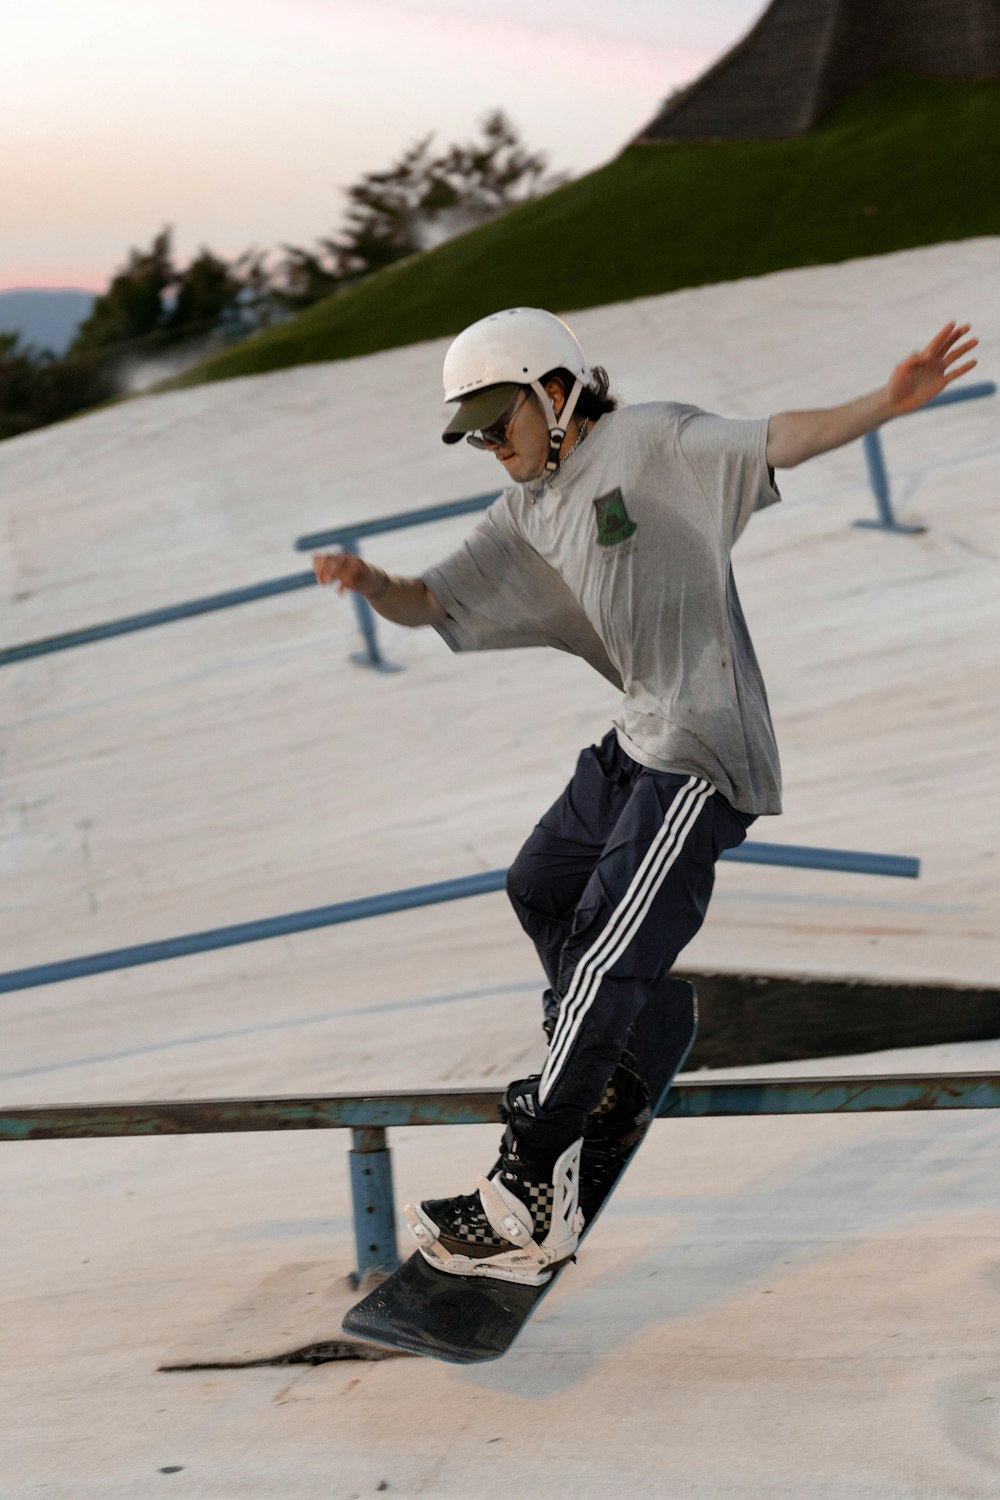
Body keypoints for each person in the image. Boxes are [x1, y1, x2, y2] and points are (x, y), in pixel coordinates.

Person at [313, 307, 977, 1286]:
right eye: (476, 434)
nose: (493, 446)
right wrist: (372, 582)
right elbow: (432, 601)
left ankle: (531, 1187)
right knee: (541, 886)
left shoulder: (653, 442)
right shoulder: (528, 510)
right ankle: (622, 1046)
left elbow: (773, 437)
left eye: (502, 421)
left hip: (700, 748)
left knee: (605, 951)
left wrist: (885, 400)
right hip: (639, 735)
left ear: (556, 393)